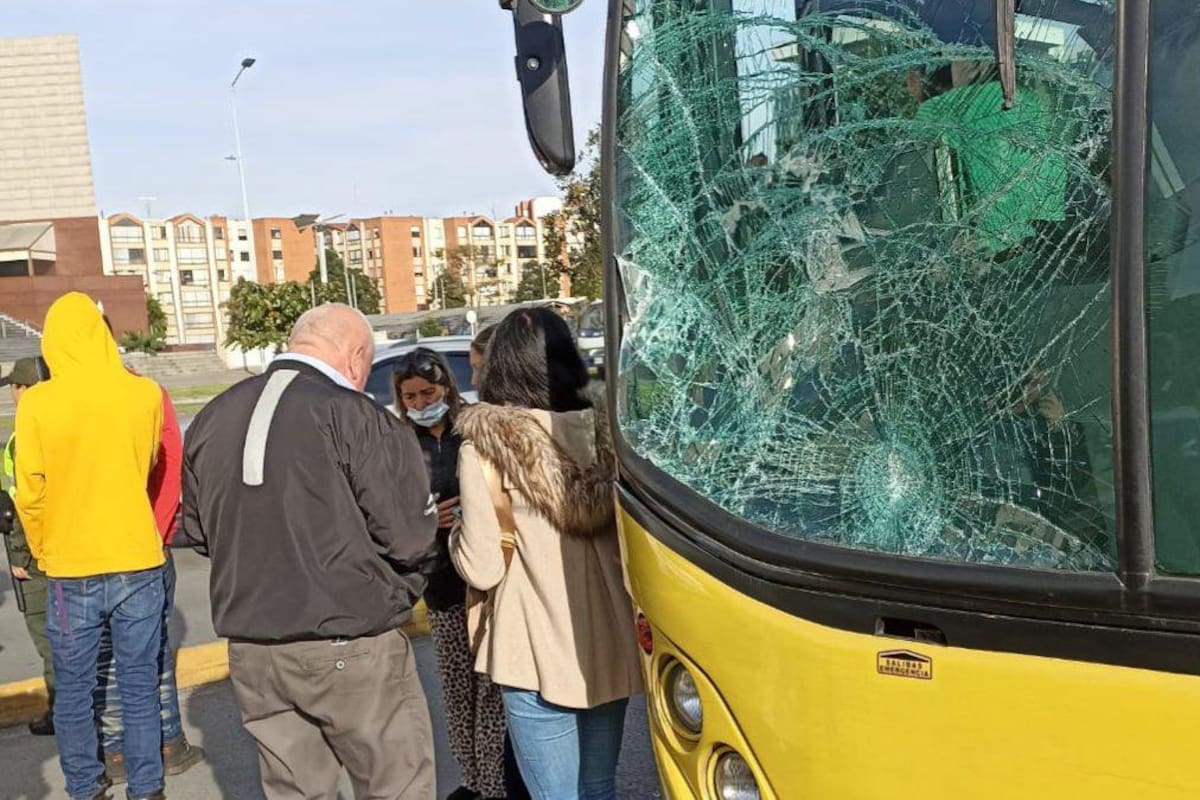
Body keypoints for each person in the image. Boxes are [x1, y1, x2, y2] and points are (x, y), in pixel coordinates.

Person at [182, 303, 439, 799]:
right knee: (397, 785)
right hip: (349, 638)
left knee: (294, 791)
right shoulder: (355, 415)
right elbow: (410, 537)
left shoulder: (214, 416)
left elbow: (199, 533)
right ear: (356, 356)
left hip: (254, 649)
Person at [450, 308, 642, 800]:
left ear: (499, 366)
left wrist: (454, 537)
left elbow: (482, 567)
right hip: (608, 638)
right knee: (599, 788)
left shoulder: (485, 447)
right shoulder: (611, 435)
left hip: (531, 649)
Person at [15, 292, 167, 800]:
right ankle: (147, 787)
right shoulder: (144, 394)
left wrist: (43, 549)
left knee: (75, 691)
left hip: (70, 564)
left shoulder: (38, 403)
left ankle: (85, 786)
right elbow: (148, 466)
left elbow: (30, 492)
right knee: (140, 685)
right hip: (137, 557)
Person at [393, 348, 519, 800]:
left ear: (446, 386)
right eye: (411, 396)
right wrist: (428, 519)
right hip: (441, 585)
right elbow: (391, 514)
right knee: (458, 689)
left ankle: (495, 784)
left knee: (492, 689)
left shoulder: (473, 429)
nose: (421, 403)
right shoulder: (400, 444)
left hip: (484, 583)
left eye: (428, 392)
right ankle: (473, 781)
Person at [96, 320, 205, 784]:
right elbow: (170, 466)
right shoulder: (144, 392)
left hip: (85, 554)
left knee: (105, 657)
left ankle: (116, 752)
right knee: (153, 648)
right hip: (144, 547)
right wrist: (156, 533)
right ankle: (167, 743)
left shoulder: (56, 399)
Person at [1, 357, 54, 736]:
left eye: (14, 386)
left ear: (24, 388)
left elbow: (25, 500)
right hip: (66, 545)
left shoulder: (26, 434)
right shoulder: (62, 422)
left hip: (35, 552)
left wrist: (20, 554)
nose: (11, 393)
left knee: (47, 633)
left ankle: (63, 711)